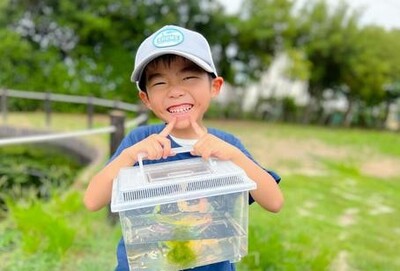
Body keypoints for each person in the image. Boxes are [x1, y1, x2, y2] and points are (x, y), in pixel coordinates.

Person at [84, 25, 284, 271]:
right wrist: (128, 156)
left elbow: (274, 202)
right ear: (145, 98)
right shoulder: (140, 142)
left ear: (215, 86)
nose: (176, 91)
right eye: (159, 83)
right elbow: (92, 200)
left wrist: (233, 156)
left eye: (189, 78)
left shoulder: (227, 146)